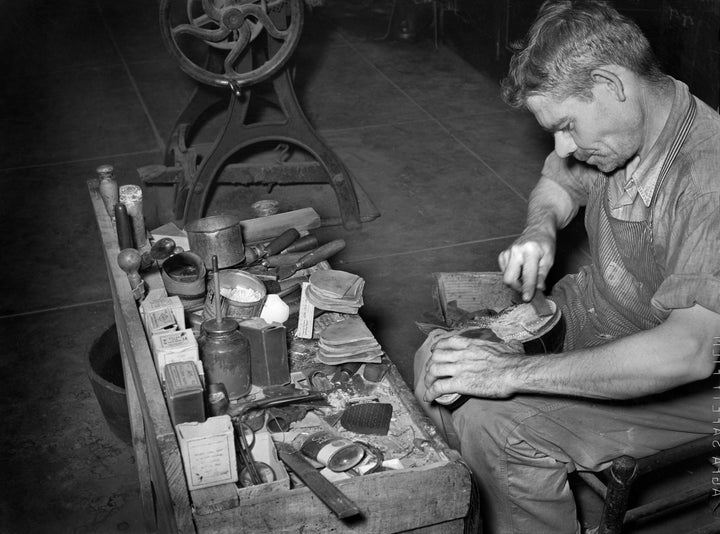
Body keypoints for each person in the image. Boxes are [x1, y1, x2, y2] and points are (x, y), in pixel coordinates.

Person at [413, 1, 720, 533]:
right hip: (603, 318)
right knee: (440, 363)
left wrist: (509, 374)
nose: (562, 146)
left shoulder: (707, 179)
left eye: (567, 125)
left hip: (693, 382)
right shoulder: (630, 122)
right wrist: (540, 228)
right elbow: (558, 182)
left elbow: (688, 353)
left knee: (497, 425)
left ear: (610, 82)